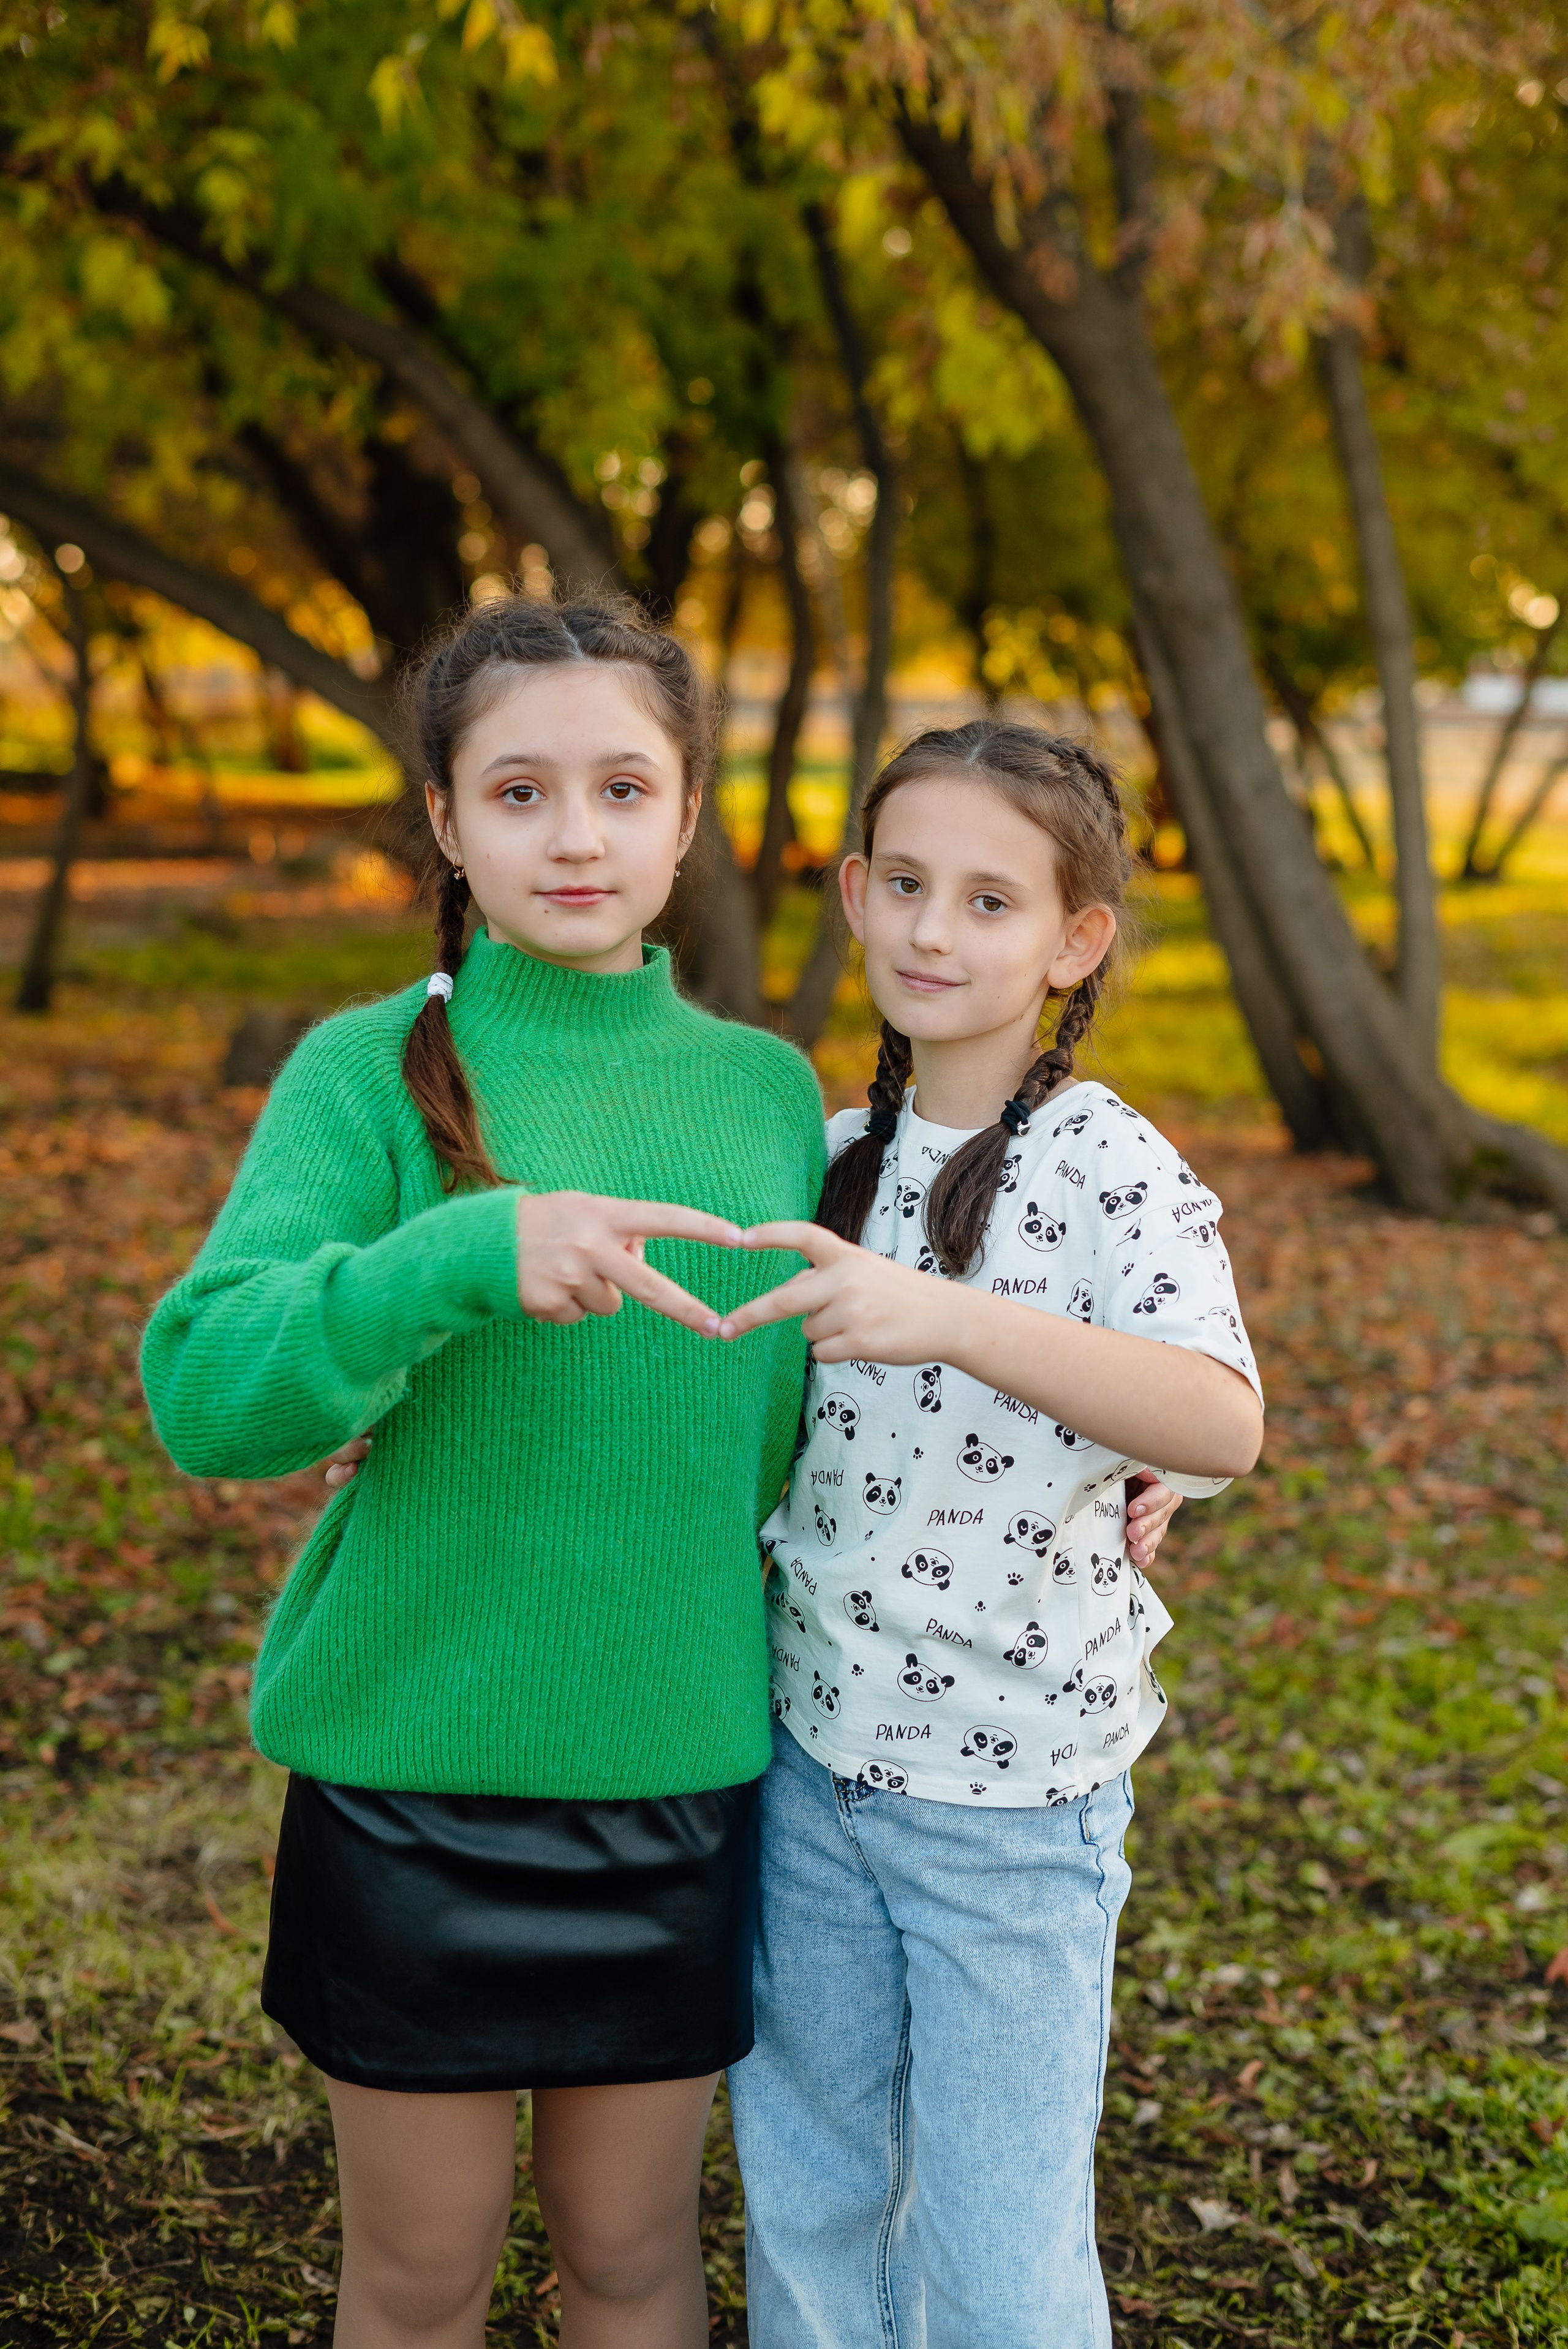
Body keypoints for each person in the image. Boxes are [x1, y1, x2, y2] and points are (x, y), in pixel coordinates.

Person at [140, 594, 829, 2349]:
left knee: (632, 2267)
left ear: (690, 817)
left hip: (671, 1770)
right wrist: (457, 1259)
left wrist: (1124, 1473)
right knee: (424, 2282)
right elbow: (209, 1394)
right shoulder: (363, 1073)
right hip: (409, 1780)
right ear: (446, 822)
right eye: (519, 791)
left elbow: (821, 1414)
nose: (575, 833)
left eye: (622, 787)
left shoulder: (770, 1093)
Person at [714, 719, 1265, 2349]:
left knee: (998, 2244)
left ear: (1074, 939)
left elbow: (1220, 1416)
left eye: (989, 899)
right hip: (811, 1772)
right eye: (905, 885)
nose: (936, 931)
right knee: (808, 2189)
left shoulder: (1110, 1166)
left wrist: (946, 1321)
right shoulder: (824, 1154)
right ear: (853, 895)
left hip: (1014, 1812)